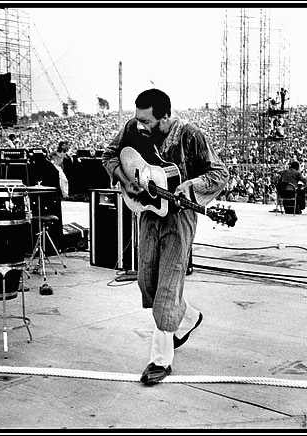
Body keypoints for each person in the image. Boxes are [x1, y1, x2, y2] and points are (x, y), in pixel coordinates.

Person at [102, 88, 228, 385]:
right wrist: (126, 181)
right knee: (147, 280)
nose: (140, 126)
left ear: (166, 116)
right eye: (138, 120)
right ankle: (187, 317)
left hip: (178, 217)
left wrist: (192, 185)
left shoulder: (190, 135)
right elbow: (109, 156)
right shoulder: (134, 127)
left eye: (147, 121)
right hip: (147, 211)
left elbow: (219, 173)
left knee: (168, 286)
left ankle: (161, 360)